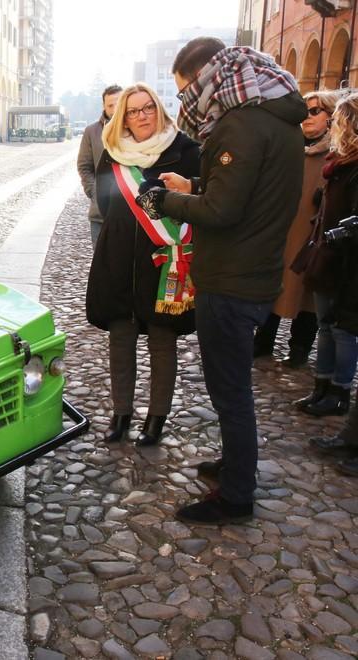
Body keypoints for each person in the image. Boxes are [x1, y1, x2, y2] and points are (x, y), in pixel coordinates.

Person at [136, 39, 307, 525]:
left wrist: (164, 202)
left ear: (205, 78)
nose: (185, 103)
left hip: (231, 279)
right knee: (232, 387)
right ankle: (235, 465)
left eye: (184, 90)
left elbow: (222, 210)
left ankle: (236, 495)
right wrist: (193, 186)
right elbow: (246, 195)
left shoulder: (239, 124)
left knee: (230, 391)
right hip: (254, 270)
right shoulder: (276, 117)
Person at [85, 83, 199, 448]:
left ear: (159, 109)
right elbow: (105, 202)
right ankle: (121, 414)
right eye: (133, 111)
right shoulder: (113, 153)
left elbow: (201, 197)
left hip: (164, 261)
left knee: (162, 341)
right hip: (119, 257)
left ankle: (156, 418)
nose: (142, 116)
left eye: (148, 107)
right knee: (121, 339)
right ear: (124, 117)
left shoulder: (184, 149)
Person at [253, 90, 340, 367]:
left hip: (312, 233)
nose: (307, 117)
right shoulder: (288, 145)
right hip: (280, 229)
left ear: (331, 116)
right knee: (272, 285)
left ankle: (299, 348)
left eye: (315, 111)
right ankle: (262, 342)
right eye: (305, 111)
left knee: (306, 294)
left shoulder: (336, 154)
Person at [294, 93, 358, 418]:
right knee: (325, 326)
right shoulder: (338, 164)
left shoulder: (354, 168)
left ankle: (339, 391)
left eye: (339, 121)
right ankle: (321, 386)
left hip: (347, 262)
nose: (334, 127)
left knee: (343, 329)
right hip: (325, 255)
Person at [78, 85, 123, 246]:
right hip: (100, 214)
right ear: (104, 106)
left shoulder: (135, 128)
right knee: (99, 258)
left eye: (118, 104)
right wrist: (94, 192)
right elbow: (84, 166)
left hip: (131, 213)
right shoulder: (92, 131)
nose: (115, 109)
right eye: (110, 105)